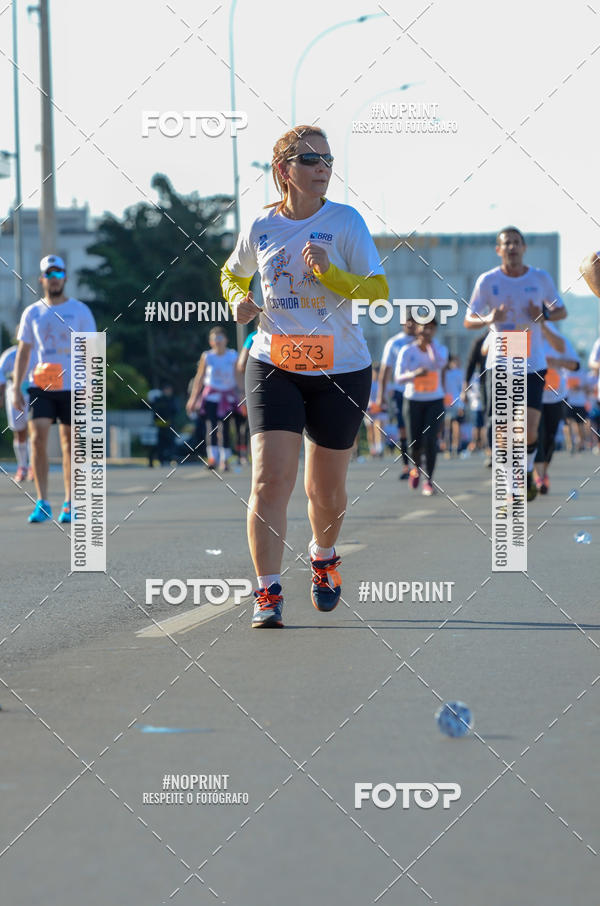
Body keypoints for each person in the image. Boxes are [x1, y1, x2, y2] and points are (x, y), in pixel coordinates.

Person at [220, 124, 388, 628]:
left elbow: (377, 291)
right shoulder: (260, 227)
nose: (323, 169)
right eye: (311, 160)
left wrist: (329, 275)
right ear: (283, 171)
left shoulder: (346, 222)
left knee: (324, 490)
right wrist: (238, 300)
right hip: (275, 363)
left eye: (328, 160)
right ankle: (267, 593)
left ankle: (323, 556)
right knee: (271, 478)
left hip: (341, 369)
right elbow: (232, 272)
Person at [464, 226, 566, 501]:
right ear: (498, 250)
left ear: (524, 248)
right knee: (502, 430)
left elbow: (561, 310)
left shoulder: (540, 278)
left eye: (516, 242)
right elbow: (468, 319)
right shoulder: (487, 281)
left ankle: (528, 470)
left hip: (532, 362)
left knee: (528, 428)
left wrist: (542, 314)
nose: (511, 247)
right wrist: (489, 318)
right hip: (499, 362)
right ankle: (513, 486)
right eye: (506, 243)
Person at [12, 255, 97, 523]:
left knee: (70, 445)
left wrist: (90, 384)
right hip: (42, 385)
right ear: (42, 279)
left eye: (59, 273)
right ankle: (43, 501)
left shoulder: (81, 310)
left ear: (66, 278)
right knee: (37, 440)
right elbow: (24, 352)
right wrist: (16, 387)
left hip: (73, 386)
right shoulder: (33, 312)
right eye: (49, 274)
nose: (54, 279)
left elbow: (91, 350)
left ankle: (70, 503)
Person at [395, 317, 448, 496]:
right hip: (413, 400)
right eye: (425, 327)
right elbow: (398, 378)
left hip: (435, 400)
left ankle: (429, 480)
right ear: (417, 328)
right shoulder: (406, 350)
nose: (427, 331)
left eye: (431, 328)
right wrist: (415, 374)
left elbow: (439, 364)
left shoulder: (440, 348)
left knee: (430, 441)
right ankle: (415, 469)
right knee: (414, 443)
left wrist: (429, 346)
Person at [186, 327, 240, 472]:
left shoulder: (233, 356)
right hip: (211, 396)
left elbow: (238, 376)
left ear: (226, 340)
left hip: (227, 397)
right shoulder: (207, 356)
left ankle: (225, 460)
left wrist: (242, 396)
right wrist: (193, 399)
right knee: (211, 427)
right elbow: (200, 377)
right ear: (211, 342)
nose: (218, 341)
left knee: (226, 428)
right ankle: (212, 458)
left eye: (220, 338)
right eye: (215, 338)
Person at [533, 323, 578, 493]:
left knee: (550, 438)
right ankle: (539, 476)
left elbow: (576, 365)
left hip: (555, 396)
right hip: (532, 395)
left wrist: (556, 362)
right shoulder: (525, 333)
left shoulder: (557, 338)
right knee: (536, 434)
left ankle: (542, 471)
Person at [375, 313, 416, 478]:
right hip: (400, 393)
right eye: (409, 322)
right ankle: (406, 466)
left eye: (415, 322)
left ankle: (420, 464)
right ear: (403, 323)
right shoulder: (394, 343)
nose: (412, 325)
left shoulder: (423, 342)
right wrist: (380, 395)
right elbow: (385, 371)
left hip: (421, 393)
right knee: (403, 430)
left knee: (419, 430)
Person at [0, 341, 34, 482]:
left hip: (34, 393)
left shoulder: (38, 352)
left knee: (35, 432)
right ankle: (22, 467)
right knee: (19, 431)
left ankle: (33, 466)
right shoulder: (10, 354)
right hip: (14, 395)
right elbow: (1, 376)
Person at [443, 355, 465, 457]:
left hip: (453, 402)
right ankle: (450, 448)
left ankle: (453, 447)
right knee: (449, 426)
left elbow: (462, 389)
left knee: (454, 426)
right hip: (449, 402)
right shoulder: (450, 373)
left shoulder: (455, 373)